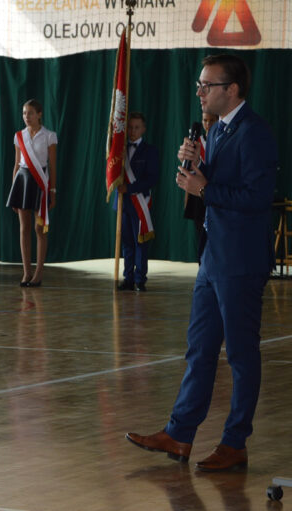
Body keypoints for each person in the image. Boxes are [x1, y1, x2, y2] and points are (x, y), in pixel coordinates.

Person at [127, 54, 278, 472]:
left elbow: (257, 198)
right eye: (198, 84)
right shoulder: (218, 132)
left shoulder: (255, 133)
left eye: (207, 85)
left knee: (242, 355)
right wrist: (196, 166)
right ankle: (180, 434)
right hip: (213, 257)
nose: (199, 92)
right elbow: (214, 188)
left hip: (241, 260)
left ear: (232, 90)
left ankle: (235, 442)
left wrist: (204, 185)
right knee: (200, 350)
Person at [5, 99, 57, 287]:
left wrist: (52, 190)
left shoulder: (49, 136)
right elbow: (17, 163)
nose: (27, 116)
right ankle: (26, 272)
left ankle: (38, 273)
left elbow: (52, 165)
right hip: (22, 180)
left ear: (39, 114)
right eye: (24, 113)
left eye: (31, 113)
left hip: (40, 181)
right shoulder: (19, 136)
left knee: (39, 228)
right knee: (24, 228)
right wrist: (13, 189)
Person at [115, 112, 160, 292]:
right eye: (130, 127)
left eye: (136, 127)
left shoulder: (150, 151)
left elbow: (152, 178)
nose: (132, 131)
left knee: (140, 242)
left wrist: (130, 188)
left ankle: (140, 279)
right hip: (123, 203)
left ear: (143, 129)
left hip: (140, 202)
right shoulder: (119, 151)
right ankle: (128, 278)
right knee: (126, 243)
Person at [183, 112, 218, 254]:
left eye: (211, 121)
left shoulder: (220, 141)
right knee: (201, 235)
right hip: (197, 195)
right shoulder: (195, 143)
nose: (208, 124)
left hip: (214, 191)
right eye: (205, 120)